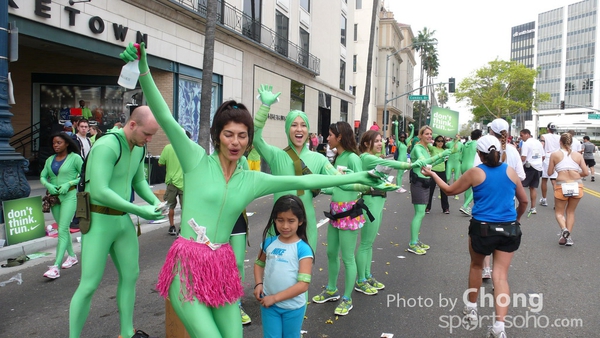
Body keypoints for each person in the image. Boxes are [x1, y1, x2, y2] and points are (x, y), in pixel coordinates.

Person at [121, 42, 385, 337]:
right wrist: (144, 69)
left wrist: (360, 176)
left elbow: (306, 182)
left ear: (248, 141)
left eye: (242, 136)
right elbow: (166, 118)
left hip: (222, 266)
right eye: (228, 134)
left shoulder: (252, 179)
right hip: (188, 267)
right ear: (218, 136)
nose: (235, 141)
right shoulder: (195, 160)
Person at [69, 106, 164, 338]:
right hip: (100, 221)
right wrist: (138, 210)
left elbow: (138, 181)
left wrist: (154, 202)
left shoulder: (138, 147)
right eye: (147, 134)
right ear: (132, 125)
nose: (149, 139)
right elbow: (100, 190)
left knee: (131, 276)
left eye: (152, 135)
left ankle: (127, 332)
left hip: (122, 221)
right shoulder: (107, 145)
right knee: (89, 284)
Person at [422, 135, 527, 338]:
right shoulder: (511, 171)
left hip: (482, 228)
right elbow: (523, 201)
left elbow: (449, 191)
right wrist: (518, 219)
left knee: (477, 266)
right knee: (501, 277)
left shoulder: (475, 173)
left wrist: (433, 174)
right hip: (508, 228)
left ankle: (471, 307)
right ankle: (499, 327)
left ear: (479, 154)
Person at [312, 121, 376, 316]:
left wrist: (346, 185)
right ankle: (332, 289)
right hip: (335, 213)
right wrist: (318, 187)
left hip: (349, 214)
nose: (327, 138)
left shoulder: (353, 159)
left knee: (347, 257)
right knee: (331, 252)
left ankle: (347, 298)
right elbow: (337, 186)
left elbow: (363, 186)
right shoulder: (338, 157)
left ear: (339, 137)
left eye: (330, 134)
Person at [356, 130, 420, 294]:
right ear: (365, 144)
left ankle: (367, 275)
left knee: (368, 244)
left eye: (380, 141)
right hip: (370, 201)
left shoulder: (373, 158)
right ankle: (360, 281)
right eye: (376, 141)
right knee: (365, 244)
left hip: (377, 200)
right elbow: (393, 165)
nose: (380, 144)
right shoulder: (367, 158)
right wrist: (410, 165)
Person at [253, 195, 313, 338]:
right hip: (269, 307)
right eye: (280, 220)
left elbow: (303, 285)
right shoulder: (268, 243)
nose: (285, 226)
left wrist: (274, 298)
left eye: (291, 221)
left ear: (301, 221)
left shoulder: (303, 249)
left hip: (293, 308)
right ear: (274, 219)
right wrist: (258, 284)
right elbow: (259, 264)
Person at [481, 119, 525, 279]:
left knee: (485, 236)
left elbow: (475, 172)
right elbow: (521, 176)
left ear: (491, 131)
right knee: (501, 239)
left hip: (485, 201)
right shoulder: (513, 150)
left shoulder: (484, 149)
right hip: (508, 204)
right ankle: (496, 277)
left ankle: (486, 269)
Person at [40, 132, 83, 279]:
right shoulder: (50, 160)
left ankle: (55, 266)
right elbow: (42, 175)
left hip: (69, 196)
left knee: (63, 228)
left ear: (66, 143)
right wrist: (48, 185)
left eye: (59, 142)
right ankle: (72, 256)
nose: (56, 145)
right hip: (54, 199)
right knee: (63, 229)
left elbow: (84, 174)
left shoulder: (75, 158)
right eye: (54, 143)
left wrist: (69, 183)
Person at [406, 126, 452, 255]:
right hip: (418, 183)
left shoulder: (426, 148)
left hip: (425, 182)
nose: (429, 136)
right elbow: (422, 162)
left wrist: (441, 158)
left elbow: (429, 164)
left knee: (420, 214)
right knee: (419, 214)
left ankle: (416, 240)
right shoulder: (418, 148)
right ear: (420, 135)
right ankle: (412, 243)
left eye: (430, 134)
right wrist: (441, 154)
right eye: (426, 134)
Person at [547, 133, 588, 246]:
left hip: (562, 184)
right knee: (571, 212)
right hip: (577, 184)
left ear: (560, 142)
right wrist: (575, 173)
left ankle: (564, 229)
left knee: (559, 213)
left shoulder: (555, 155)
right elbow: (586, 172)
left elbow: (549, 173)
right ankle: (568, 238)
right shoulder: (578, 155)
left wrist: (559, 169)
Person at [158, 130, 191, 236]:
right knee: (185, 208)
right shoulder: (188, 148)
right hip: (184, 182)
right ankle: (182, 228)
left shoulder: (168, 148)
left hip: (171, 181)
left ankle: (172, 226)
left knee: (170, 206)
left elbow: (160, 163)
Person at [519, 129, 544, 216]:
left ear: (527, 134)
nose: (521, 137)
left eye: (522, 135)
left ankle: (520, 205)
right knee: (533, 187)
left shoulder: (526, 144)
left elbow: (523, 158)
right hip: (538, 167)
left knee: (520, 186)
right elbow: (543, 156)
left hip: (529, 167)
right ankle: (533, 208)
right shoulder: (538, 143)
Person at [459, 129, 482, 216]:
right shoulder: (478, 144)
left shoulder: (466, 144)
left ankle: (466, 207)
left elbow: (460, 158)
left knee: (467, 187)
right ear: (479, 136)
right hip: (472, 165)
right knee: (477, 186)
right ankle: (465, 205)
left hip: (463, 165)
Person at [426, 135, 450, 214]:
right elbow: (425, 143)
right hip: (433, 171)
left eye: (442, 141)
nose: (440, 142)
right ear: (435, 142)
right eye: (438, 141)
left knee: (444, 190)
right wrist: (429, 136)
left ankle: (445, 208)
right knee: (430, 190)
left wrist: (457, 139)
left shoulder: (445, 150)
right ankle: (427, 207)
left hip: (442, 171)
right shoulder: (432, 148)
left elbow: (454, 149)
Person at [540, 122, 560, 207]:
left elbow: (541, 145)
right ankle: (557, 202)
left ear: (548, 128)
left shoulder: (544, 136)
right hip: (557, 158)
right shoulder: (560, 137)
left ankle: (544, 199)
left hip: (547, 158)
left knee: (544, 179)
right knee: (554, 180)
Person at [393, 121, 414, 193]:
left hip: (404, 159)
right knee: (399, 174)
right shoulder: (398, 143)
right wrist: (396, 126)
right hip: (400, 159)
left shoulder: (405, 142)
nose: (402, 138)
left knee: (401, 174)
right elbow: (395, 134)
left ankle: (399, 186)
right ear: (399, 137)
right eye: (401, 137)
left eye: (404, 136)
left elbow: (411, 136)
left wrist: (412, 128)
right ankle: (398, 187)